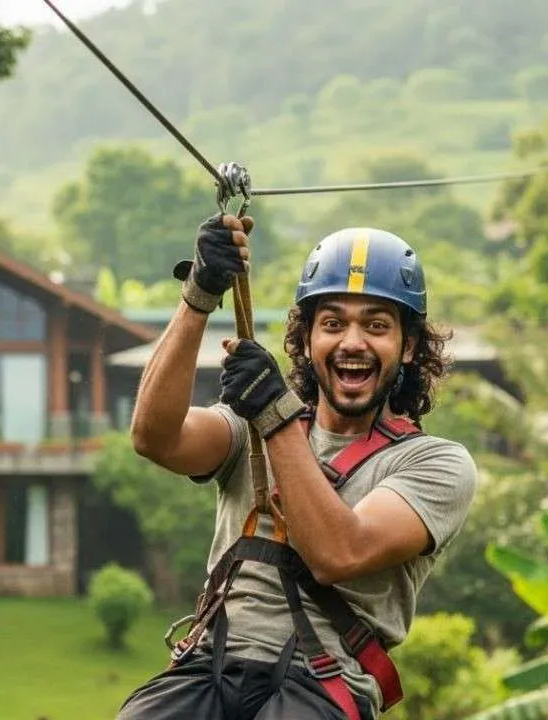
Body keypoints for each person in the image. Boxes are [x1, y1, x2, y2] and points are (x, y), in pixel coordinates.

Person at [119, 213, 478, 720]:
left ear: (410, 346)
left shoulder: (435, 464)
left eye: (376, 325)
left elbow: (337, 553)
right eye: (332, 324)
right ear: (307, 341)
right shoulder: (247, 430)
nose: (353, 342)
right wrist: (200, 293)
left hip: (321, 683)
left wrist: (276, 414)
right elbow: (155, 437)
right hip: (208, 665)